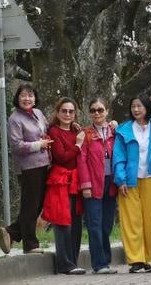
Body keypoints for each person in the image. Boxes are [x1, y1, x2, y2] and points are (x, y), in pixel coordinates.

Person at [0, 84, 51, 255]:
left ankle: (12, 232)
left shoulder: (38, 113)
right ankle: (30, 244)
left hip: (44, 164)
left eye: (30, 95)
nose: (27, 99)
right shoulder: (15, 119)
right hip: (28, 167)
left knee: (37, 205)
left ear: (35, 98)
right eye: (23, 95)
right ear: (17, 98)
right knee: (30, 205)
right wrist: (39, 144)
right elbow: (16, 146)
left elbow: (47, 130)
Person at [113, 95, 151, 273]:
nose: (136, 109)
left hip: (150, 178)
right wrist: (121, 180)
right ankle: (135, 260)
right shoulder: (124, 130)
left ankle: (147, 259)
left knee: (148, 220)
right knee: (131, 220)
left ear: (147, 107)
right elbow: (118, 157)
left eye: (139, 106)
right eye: (133, 106)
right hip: (129, 181)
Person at [45, 98, 87, 275]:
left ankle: (73, 261)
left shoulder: (77, 131)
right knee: (63, 222)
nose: (68, 114)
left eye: (71, 111)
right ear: (58, 112)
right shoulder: (54, 132)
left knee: (76, 223)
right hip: (60, 181)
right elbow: (61, 157)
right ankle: (64, 264)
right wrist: (78, 145)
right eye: (64, 111)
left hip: (75, 182)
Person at [78, 98, 118, 274]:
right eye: (93, 110)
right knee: (94, 224)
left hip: (111, 183)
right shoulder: (86, 134)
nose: (97, 113)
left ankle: (106, 260)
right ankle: (99, 264)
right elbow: (82, 161)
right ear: (89, 113)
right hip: (93, 183)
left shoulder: (115, 133)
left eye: (100, 110)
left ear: (107, 111)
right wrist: (85, 185)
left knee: (107, 225)